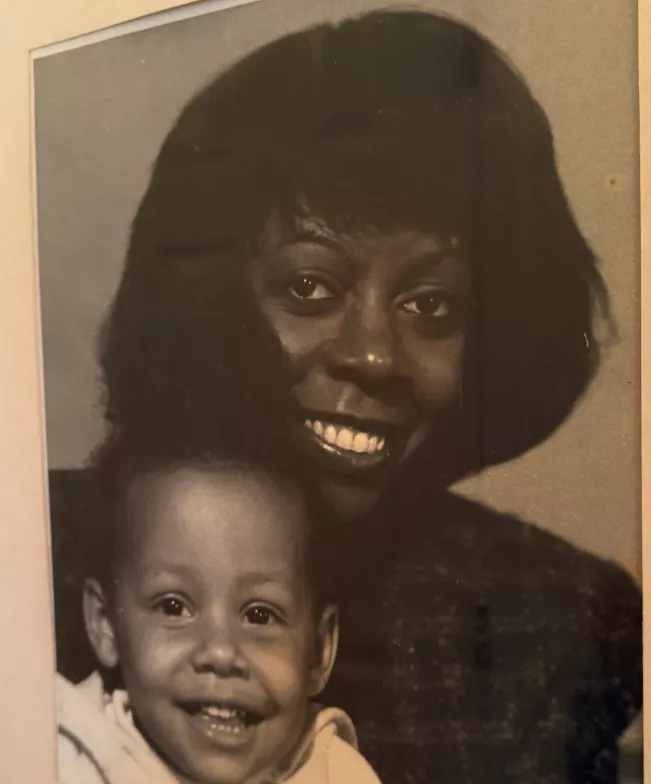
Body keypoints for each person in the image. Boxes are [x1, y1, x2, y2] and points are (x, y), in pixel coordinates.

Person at [49, 9, 642, 784]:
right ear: (206, 300)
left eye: (429, 304)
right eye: (309, 286)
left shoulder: (551, 623)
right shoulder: (37, 555)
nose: (373, 355)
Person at [56, 436, 382, 784]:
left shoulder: (337, 772)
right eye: (174, 607)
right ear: (106, 624)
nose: (221, 653)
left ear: (318, 650)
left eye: (259, 615)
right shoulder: (63, 761)